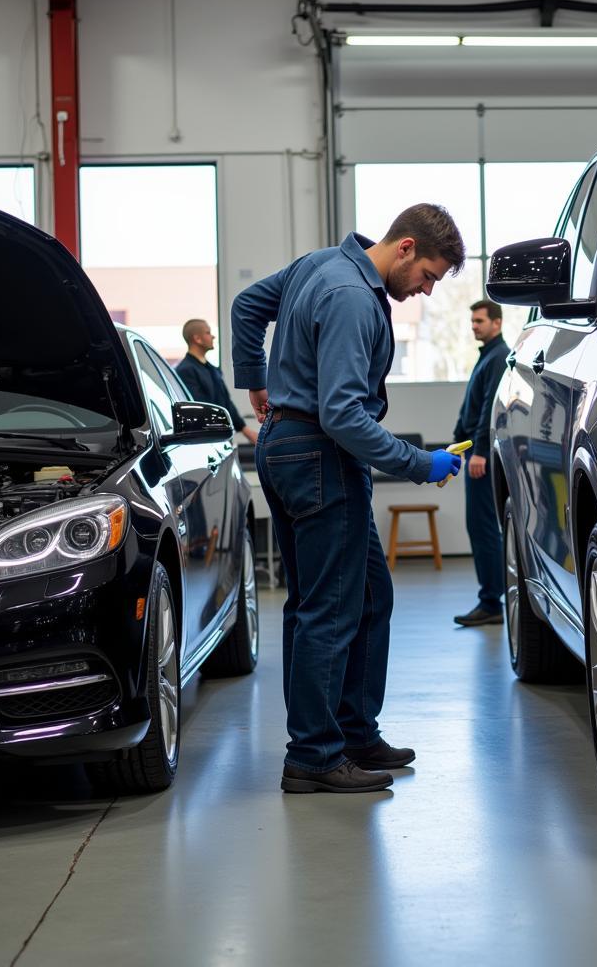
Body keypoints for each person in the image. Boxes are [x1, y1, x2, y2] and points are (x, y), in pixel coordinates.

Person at [232, 204, 465, 794]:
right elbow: (341, 413)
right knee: (329, 608)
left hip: (291, 447)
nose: (426, 292)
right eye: (429, 277)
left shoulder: (320, 264)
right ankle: (313, 755)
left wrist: (254, 379)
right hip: (319, 454)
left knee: (360, 595)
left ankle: (354, 733)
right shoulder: (353, 297)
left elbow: (246, 306)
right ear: (406, 247)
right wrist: (420, 464)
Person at [452, 299, 510, 627]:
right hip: (474, 451)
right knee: (480, 526)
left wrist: (480, 451)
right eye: (472, 321)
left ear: (497, 323)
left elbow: (490, 408)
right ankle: (490, 598)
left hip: (481, 457)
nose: (474, 326)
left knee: (484, 527)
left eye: (480, 321)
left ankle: (490, 602)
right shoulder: (488, 356)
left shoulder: (498, 357)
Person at [175, 319, 259, 444]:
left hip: (221, 439)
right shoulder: (185, 370)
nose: (213, 336)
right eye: (208, 333)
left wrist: (246, 430)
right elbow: (201, 409)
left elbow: (226, 402)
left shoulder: (212, 369)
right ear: (197, 339)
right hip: (206, 440)